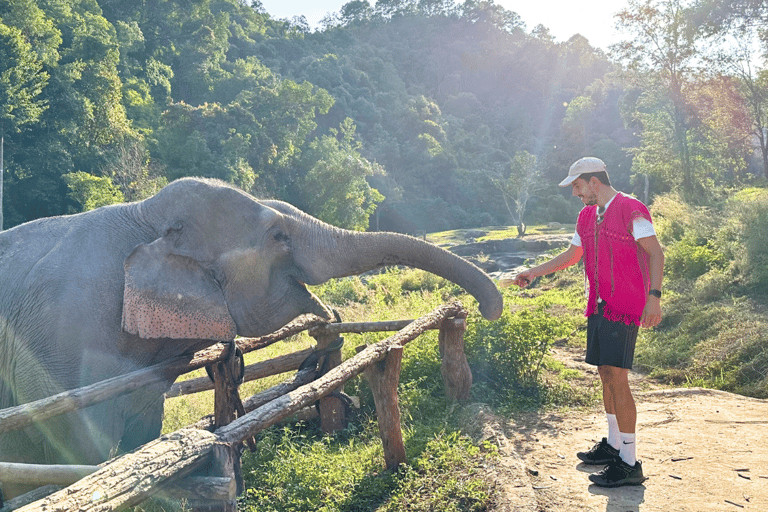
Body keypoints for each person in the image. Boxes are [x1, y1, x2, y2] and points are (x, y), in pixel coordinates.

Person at [509, 157, 664, 488]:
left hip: (624, 305)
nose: (576, 194)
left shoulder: (630, 208)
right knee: (605, 374)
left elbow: (655, 252)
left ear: (595, 182)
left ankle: (629, 462)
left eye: (578, 186)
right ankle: (613, 445)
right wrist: (533, 272)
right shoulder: (586, 216)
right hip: (598, 306)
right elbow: (571, 256)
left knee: (618, 379)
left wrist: (654, 296)